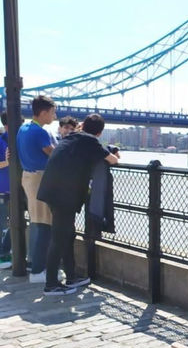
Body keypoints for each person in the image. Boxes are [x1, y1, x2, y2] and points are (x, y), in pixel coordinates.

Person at [37, 113, 119, 296]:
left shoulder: (72, 137)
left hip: (54, 191)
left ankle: (71, 277)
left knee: (68, 234)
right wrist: (113, 152)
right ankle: (51, 284)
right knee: (59, 238)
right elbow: (113, 160)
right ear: (100, 133)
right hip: (63, 195)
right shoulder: (90, 141)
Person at [16, 95, 56, 283]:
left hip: (28, 177)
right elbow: (55, 154)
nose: (54, 116)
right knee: (44, 224)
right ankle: (38, 271)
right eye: (53, 112)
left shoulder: (23, 129)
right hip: (39, 179)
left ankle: (33, 264)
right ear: (44, 112)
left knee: (36, 222)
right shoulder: (40, 132)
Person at [0, 112, 12, 269]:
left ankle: (6, 253)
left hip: (16, 190)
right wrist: (8, 162)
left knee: (13, 224)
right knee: (2, 224)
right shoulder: (1, 140)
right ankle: (2, 257)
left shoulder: (16, 139)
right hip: (2, 190)